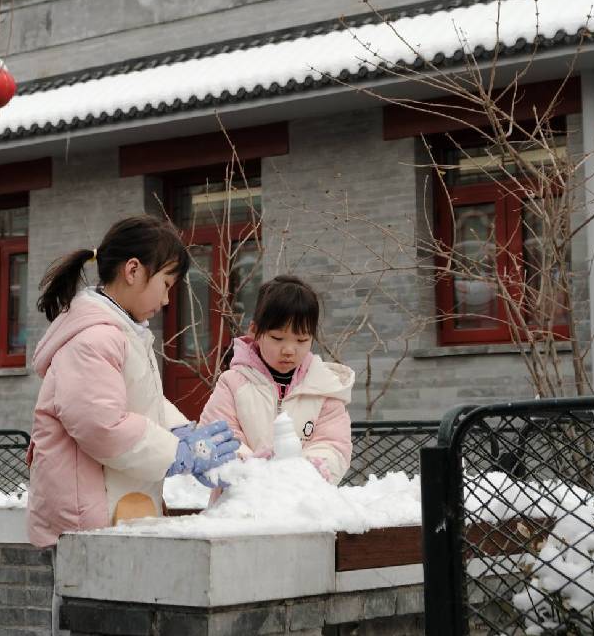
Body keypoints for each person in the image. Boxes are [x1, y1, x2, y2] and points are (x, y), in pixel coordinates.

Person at [27, 215, 238, 547]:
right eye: (166, 284)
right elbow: (102, 425)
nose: (167, 300)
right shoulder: (94, 340)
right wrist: (178, 453)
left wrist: (180, 431)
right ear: (134, 270)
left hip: (114, 506)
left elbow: (140, 401)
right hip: (89, 518)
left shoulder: (122, 333)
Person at [200, 275, 354, 484]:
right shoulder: (233, 383)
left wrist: (308, 470)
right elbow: (216, 438)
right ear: (255, 330)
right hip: (241, 504)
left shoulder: (324, 388)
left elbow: (333, 444)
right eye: (277, 338)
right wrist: (252, 466)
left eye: (301, 340)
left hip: (303, 503)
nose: (289, 350)